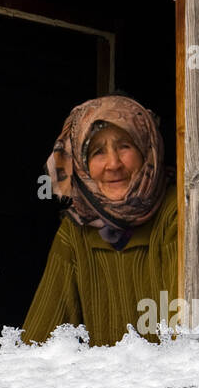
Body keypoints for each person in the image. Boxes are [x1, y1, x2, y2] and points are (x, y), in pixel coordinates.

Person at [21, 94, 178, 346]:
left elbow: (184, 339)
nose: (113, 164)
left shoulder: (175, 213)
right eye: (97, 152)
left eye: (125, 146)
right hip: (102, 385)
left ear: (147, 149)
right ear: (82, 164)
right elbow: (38, 343)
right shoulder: (76, 229)